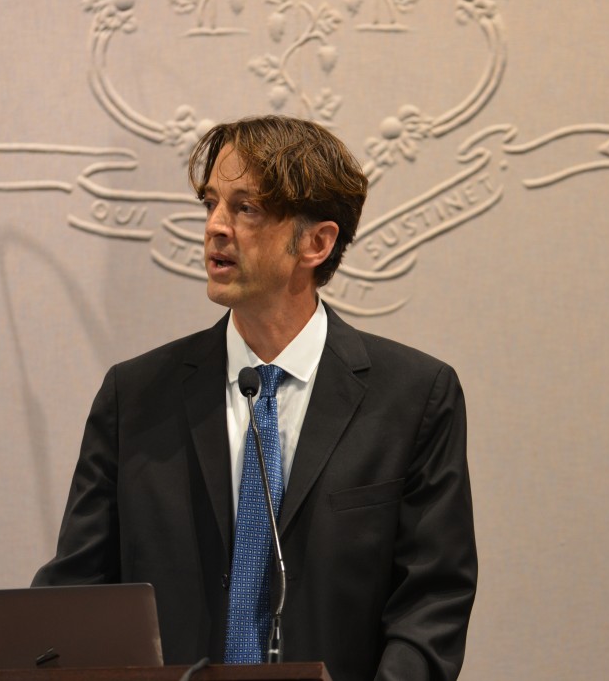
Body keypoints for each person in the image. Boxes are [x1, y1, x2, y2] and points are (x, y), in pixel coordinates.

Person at [33, 115, 477, 681]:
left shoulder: (414, 397)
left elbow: (431, 605)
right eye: (212, 204)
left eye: (247, 209)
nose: (216, 227)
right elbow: (76, 593)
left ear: (316, 242)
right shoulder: (135, 396)